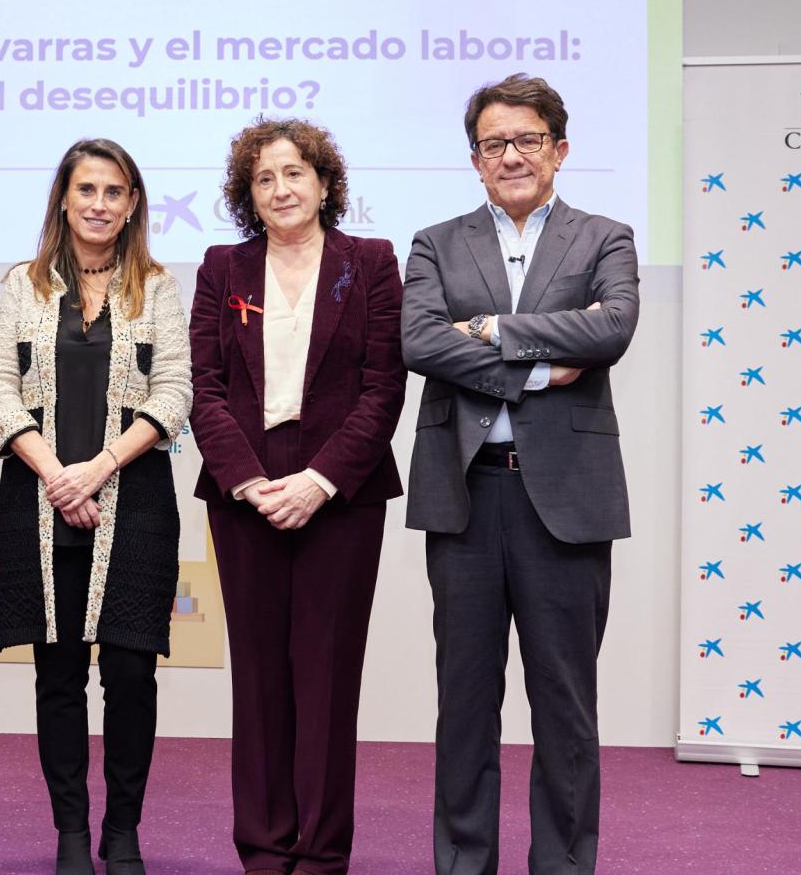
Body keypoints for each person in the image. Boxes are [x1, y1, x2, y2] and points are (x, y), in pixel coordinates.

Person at [402, 74, 639, 875]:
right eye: (493, 143)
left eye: (527, 139)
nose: (511, 155)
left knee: (565, 709)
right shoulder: (436, 242)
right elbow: (422, 342)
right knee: (464, 705)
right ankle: (464, 864)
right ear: (474, 159)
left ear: (559, 149)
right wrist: (539, 369)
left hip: (566, 501)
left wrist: (495, 329)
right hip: (466, 495)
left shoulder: (605, 236)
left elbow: (610, 329)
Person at [187, 118, 408, 875]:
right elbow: (205, 387)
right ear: (247, 195)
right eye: (263, 178)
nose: (281, 189)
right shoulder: (222, 268)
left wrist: (317, 481)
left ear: (323, 183)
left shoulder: (371, 262)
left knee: (326, 674)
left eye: (294, 174)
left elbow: (383, 390)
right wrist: (248, 479)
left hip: (339, 490)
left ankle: (319, 852)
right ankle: (263, 847)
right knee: (257, 675)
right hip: (243, 486)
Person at [0, 139, 193, 875]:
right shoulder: (24, 285)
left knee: (132, 675)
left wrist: (98, 468)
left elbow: (175, 392)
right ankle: (71, 833)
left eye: (115, 191)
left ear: (133, 203)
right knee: (59, 676)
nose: (99, 204)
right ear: (63, 200)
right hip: (39, 507)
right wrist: (55, 475)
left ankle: (122, 831)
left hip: (133, 504)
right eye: (87, 190)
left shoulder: (157, 288)